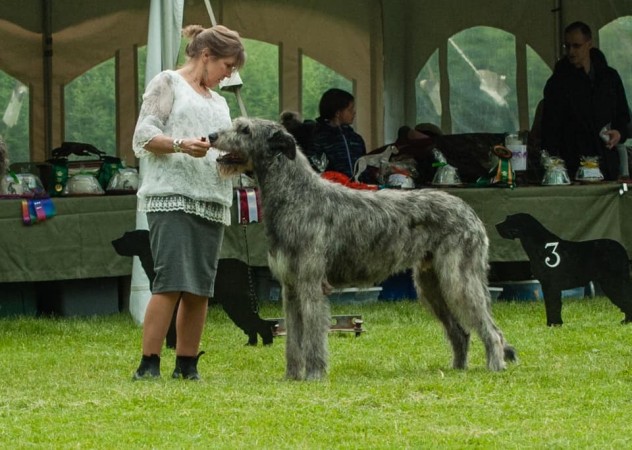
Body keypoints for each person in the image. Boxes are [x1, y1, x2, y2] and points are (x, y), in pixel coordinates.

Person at [131, 24, 245, 380]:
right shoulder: (168, 82)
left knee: (199, 287)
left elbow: (224, 149)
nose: (229, 75)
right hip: (172, 195)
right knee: (171, 281)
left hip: (211, 198)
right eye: (227, 66)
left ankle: (187, 365)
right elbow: (144, 134)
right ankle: (149, 364)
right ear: (206, 55)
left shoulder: (220, 102)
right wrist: (182, 144)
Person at [541, 21, 630, 181]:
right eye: (567, 46)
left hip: (607, 164)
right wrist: (553, 164)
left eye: (576, 46)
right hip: (571, 166)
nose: (571, 51)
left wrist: (619, 133)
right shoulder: (558, 83)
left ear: (589, 44)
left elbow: (623, 116)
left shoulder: (609, 78)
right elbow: (550, 127)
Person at [310, 88, 366, 178]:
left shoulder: (356, 139)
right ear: (338, 113)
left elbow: (364, 167)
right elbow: (315, 170)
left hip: (358, 189)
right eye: (350, 109)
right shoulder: (320, 139)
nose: (354, 112)